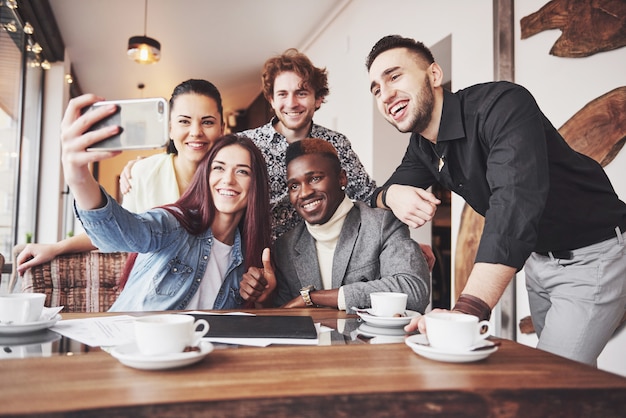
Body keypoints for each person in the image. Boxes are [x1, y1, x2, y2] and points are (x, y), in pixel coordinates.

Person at [366, 34, 626, 365]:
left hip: (593, 256)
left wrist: (465, 313)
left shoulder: (502, 105)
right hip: (538, 260)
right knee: (564, 378)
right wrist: (391, 194)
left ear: (433, 75)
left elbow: (513, 204)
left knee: (552, 380)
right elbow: (377, 196)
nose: (385, 94)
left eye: (394, 76)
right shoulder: (422, 147)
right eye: (375, 89)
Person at [61, 96, 274, 310]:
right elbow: (117, 232)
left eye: (242, 171)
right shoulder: (173, 224)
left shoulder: (248, 258)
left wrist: (262, 298)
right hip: (134, 340)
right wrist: (77, 176)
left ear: (256, 184)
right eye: (218, 168)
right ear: (205, 176)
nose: (228, 179)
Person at [16, 79, 226, 275]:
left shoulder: (233, 181)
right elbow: (119, 230)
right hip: (156, 292)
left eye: (207, 122)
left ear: (222, 129)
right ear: (170, 128)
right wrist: (57, 247)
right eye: (184, 121)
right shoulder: (143, 172)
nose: (196, 131)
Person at [272, 138, 430, 314]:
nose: (305, 193)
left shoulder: (383, 224)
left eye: (315, 178)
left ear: (341, 179)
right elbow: (284, 314)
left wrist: (314, 297)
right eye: (294, 186)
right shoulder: (285, 246)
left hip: (374, 341)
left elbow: (414, 291)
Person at [238, 48, 377, 241]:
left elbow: (367, 196)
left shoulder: (336, 143)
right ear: (272, 100)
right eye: (282, 94)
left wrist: (401, 241)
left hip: (320, 254)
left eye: (301, 93)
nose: (292, 103)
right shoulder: (246, 144)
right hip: (259, 253)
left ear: (318, 99)